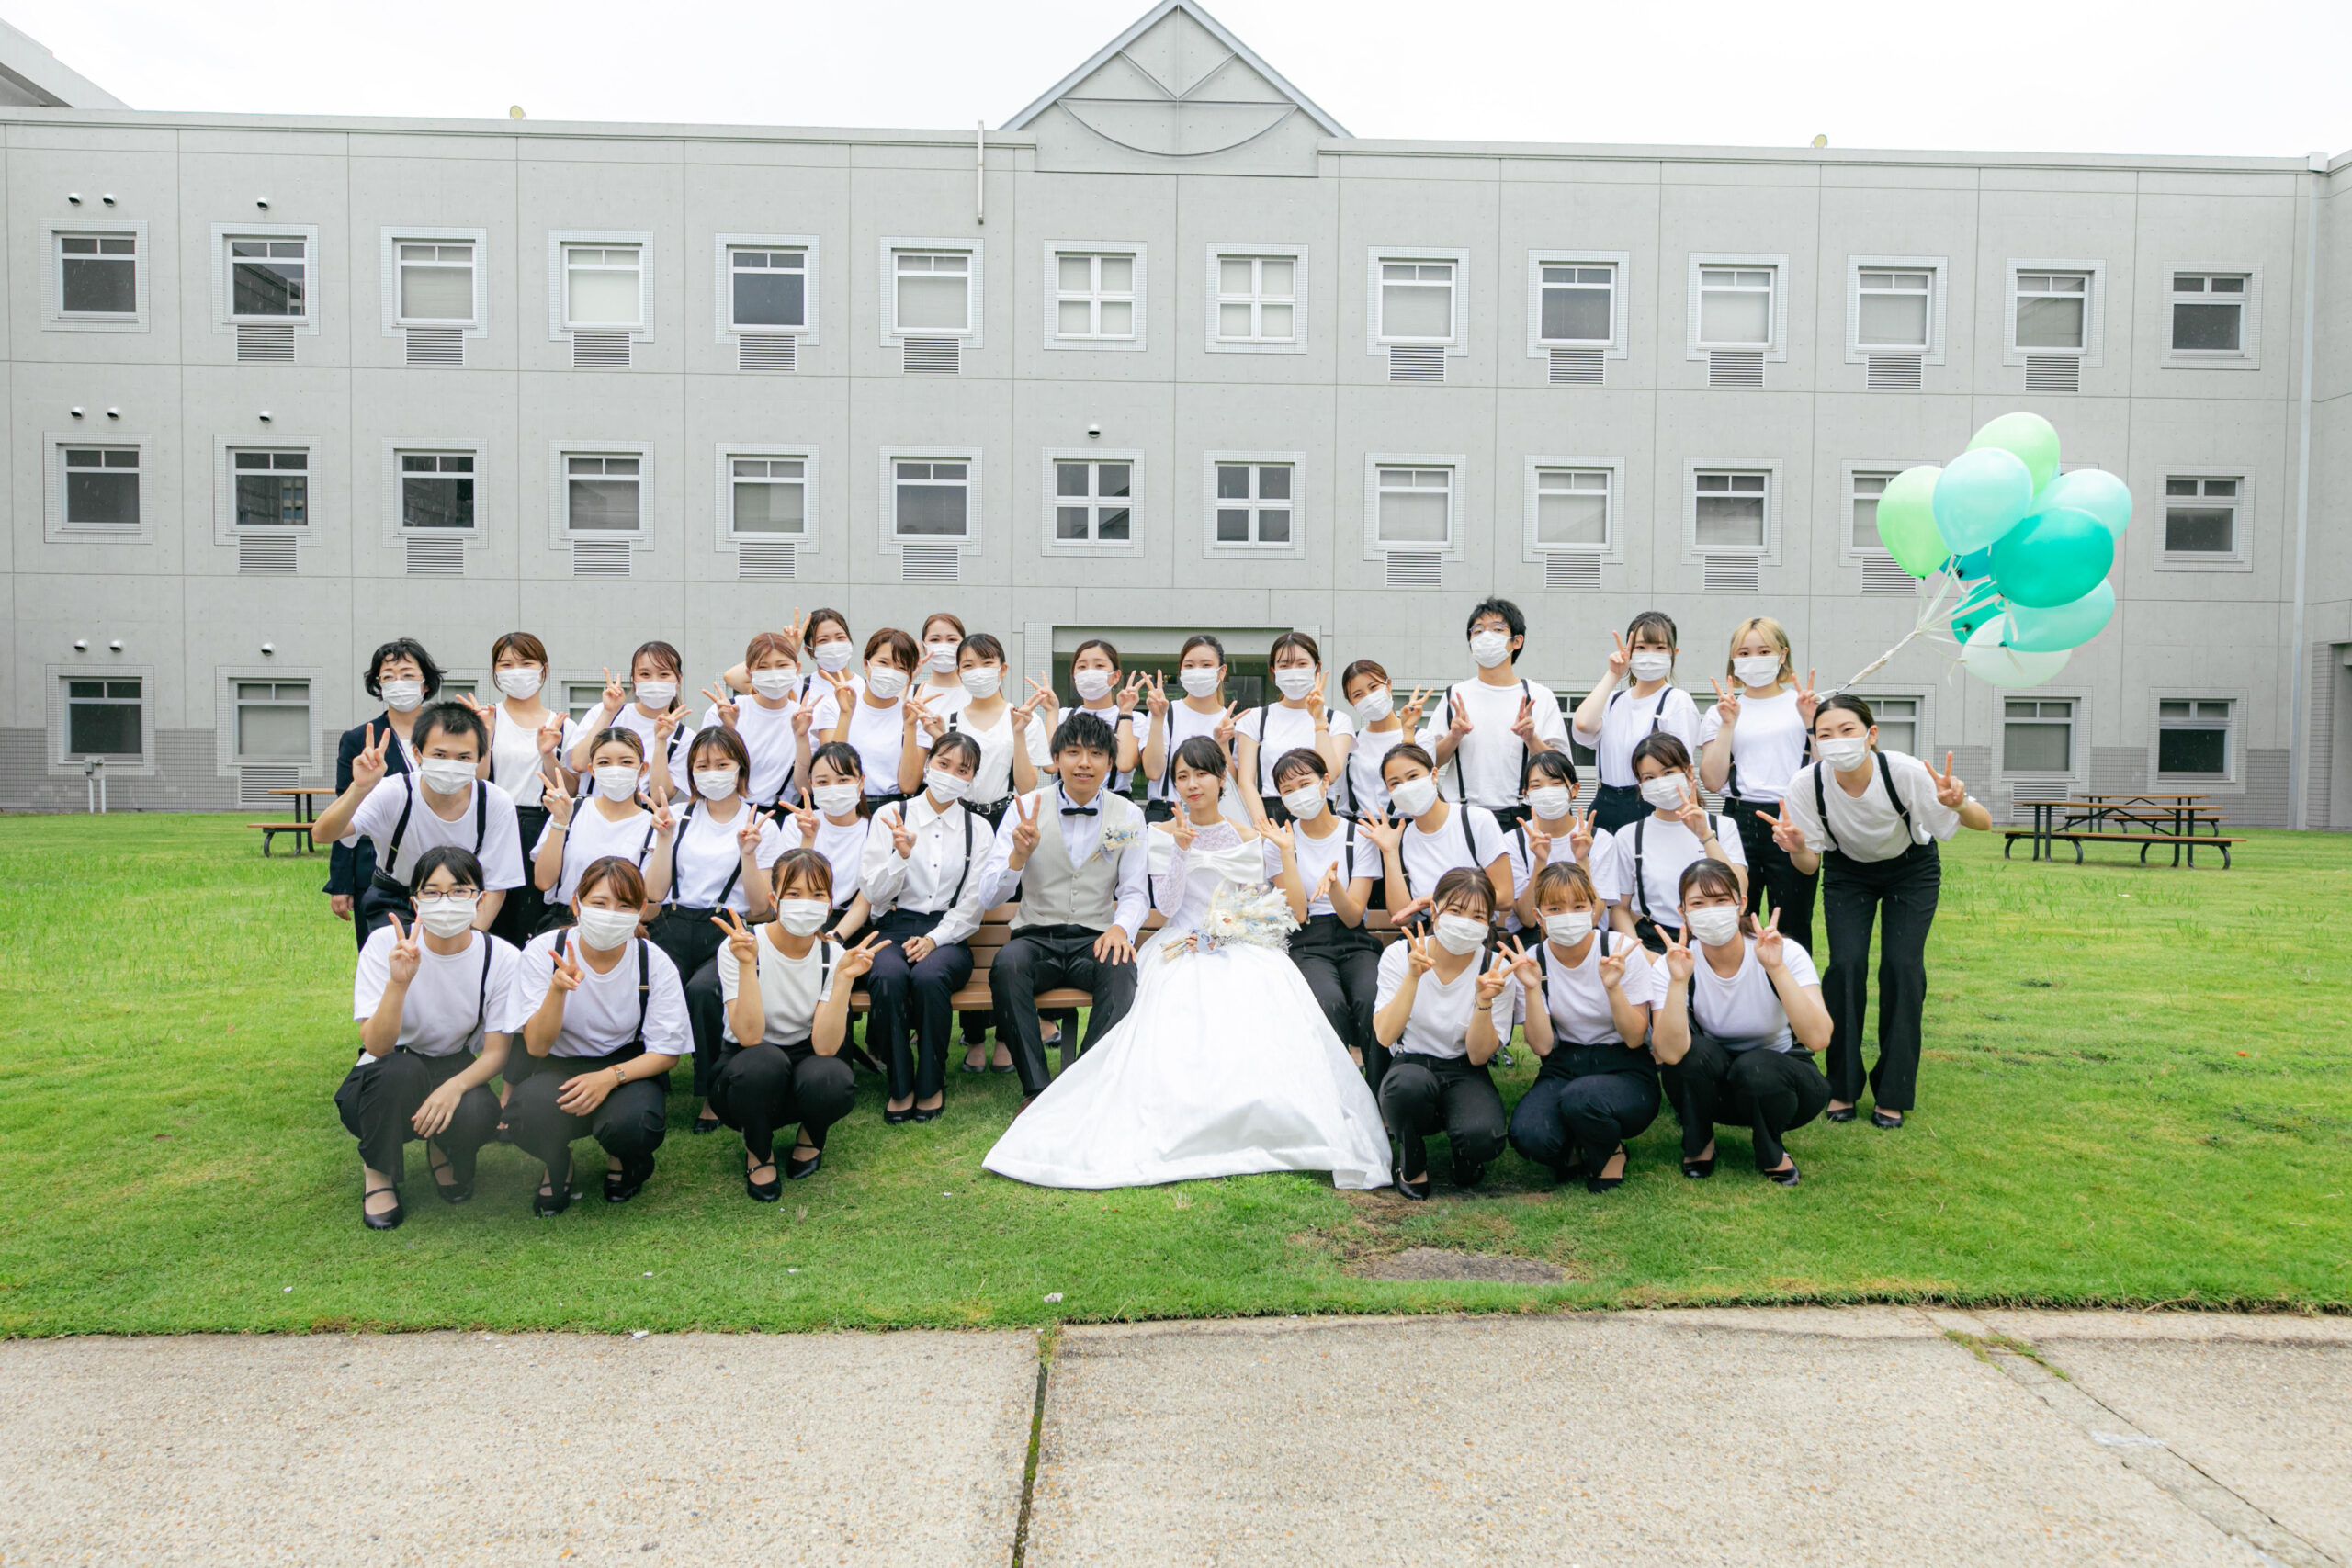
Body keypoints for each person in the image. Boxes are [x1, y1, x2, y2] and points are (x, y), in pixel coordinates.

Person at [981, 735, 1391, 1190]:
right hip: (1182, 943)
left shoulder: (1254, 838)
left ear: (1221, 777)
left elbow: (1291, 910)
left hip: (1242, 945)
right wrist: (1179, 850)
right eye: (1182, 776)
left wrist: (1270, 876)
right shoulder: (1158, 833)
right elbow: (1169, 905)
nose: (1192, 784)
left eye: (1201, 774)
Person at [1764, 695, 1991, 1129]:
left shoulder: (1904, 772)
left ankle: (1893, 1091)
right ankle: (1842, 1085)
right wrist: (1796, 848)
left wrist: (1959, 803)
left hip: (1911, 870)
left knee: (1902, 968)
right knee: (1845, 967)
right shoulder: (1806, 785)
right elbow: (1809, 865)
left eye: (1847, 730)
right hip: (1848, 872)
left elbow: (1984, 823)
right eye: (1825, 734)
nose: (1837, 740)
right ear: (1815, 742)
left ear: (1871, 734)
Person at [335, 846, 524, 1229]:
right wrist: (398, 983)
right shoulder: (385, 944)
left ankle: (442, 1147)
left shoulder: (501, 957)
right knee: (400, 1073)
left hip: (453, 1063)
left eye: (459, 891)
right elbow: (377, 1046)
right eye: (432, 892)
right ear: (415, 902)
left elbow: (496, 1053)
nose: (446, 901)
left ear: (480, 900)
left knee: (478, 1111)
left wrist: (452, 1089)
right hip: (389, 1065)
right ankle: (378, 1172)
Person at [975, 712, 1148, 1104]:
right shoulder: (1025, 807)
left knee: (1121, 968)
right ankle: (1036, 1089)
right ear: (1056, 759)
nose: (1084, 763)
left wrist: (1120, 929)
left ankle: (1083, 1087)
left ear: (1110, 762)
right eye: (1073, 752)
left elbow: (1136, 891)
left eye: (1095, 753)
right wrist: (1018, 857)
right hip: (1035, 938)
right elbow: (989, 897)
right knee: (1007, 965)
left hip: (1095, 938)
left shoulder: (1128, 814)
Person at [510, 857, 689, 1215]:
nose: (610, 914)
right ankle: (557, 1160)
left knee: (634, 1124)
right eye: (599, 903)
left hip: (626, 1066)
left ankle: (623, 1158)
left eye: (624, 906)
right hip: (559, 1066)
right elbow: (536, 1046)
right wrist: (557, 991)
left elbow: (667, 1052)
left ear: (641, 911)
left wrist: (609, 1077)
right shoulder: (543, 952)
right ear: (576, 904)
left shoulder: (652, 961)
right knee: (525, 1113)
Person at [710, 854, 886, 1196]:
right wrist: (747, 965)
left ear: (830, 903)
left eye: (818, 894)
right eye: (794, 893)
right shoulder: (741, 947)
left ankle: (811, 1134)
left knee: (833, 1079)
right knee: (764, 1063)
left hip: (804, 1058)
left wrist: (845, 979)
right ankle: (758, 1150)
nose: (806, 902)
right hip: (747, 1067)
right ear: (774, 900)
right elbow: (749, 1036)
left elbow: (826, 1047)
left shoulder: (833, 955)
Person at [1651, 860, 1832, 1185]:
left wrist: (1776, 968)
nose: (1711, 911)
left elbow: (1818, 1038)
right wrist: (1678, 982)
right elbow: (1669, 1053)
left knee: (1755, 1067)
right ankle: (1699, 1143)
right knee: (1692, 1055)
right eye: (1698, 903)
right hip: (1717, 1088)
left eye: (1721, 900)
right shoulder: (1674, 963)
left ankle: (1771, 1150)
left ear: (1741, 903)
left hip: (1782, 1082)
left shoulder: (1784, 951)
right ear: (1683, 912)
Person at [648, 727, 783, 1136]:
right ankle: (649, 1081)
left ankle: (711, 1090)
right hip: (673, 922)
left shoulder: (760, 824)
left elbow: (761, 909)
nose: (712, 773)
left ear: (740, 767)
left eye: (722, 764)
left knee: (704, 992)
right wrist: (663, 839)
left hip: (727, 927)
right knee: (652, 986)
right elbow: (654, 893)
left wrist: (748, 854)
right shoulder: (678, 817)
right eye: (702, 765)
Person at [1504, 862, 1662, 1192]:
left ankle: (1611, 1150)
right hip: (1565, 1064)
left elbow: (1635, 1037)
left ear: (1593, 908)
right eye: (1555, 908)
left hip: (1625, 1065)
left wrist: (1613, 987)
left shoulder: (1618, 950)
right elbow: (1542, 1047)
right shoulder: (1533, 959)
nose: (1568, 915)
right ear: (1539, 915)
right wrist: (1531, 989)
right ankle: (1576, 1141)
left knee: (1582, 1099)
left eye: (1578, 906)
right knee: (1529, 1136)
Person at [860, 732, 991, 1123]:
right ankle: (900, 1085)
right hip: (894, 924)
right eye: (943, 764)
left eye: (962, 770)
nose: (950, 775)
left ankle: (931, 1083)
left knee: (930, 978)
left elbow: (973, 905)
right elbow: (873, 893)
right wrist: (900, 857)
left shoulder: (977, 828)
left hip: (948, 934)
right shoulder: (891, 815)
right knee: (887, 975)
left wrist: (934, 939)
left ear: (972, 779)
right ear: (928, 763)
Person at [314, 700, 525, 942]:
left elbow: (497, 887)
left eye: (464, 757)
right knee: (397, 959)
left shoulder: (495, 803)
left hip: (463, 903)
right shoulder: (394, 792)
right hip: (396, 898)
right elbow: (323, 834)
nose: (451, 765)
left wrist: (467, 943)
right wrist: (359, 789)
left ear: (480, 757)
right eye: (440, 755)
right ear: (417, 754)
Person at [1373, 867, 1523, 1199]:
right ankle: (1412, 1159)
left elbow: (1478, 1055)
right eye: (1455, 910)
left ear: (1489, 922)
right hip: (1412, 1064)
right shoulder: (1400, 955)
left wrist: (1484, 1001)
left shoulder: (1496, 969)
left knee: (1484, 1137)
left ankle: (1465, 1153)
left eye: (1477, 916)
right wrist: (1413, 977)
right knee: (1405, 1089)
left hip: (1464, 1068)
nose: (1465, 922)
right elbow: (1384, 1035)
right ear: (1434, 909)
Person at [1698, 616, 1822, 954]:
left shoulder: (1804, 704)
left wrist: (1812, 722)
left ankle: (1791, 986)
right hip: (1738, 818)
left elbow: (1825, 773)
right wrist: (1727, 724)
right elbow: (1712, 780)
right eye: (1744, 652)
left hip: (1792, 817)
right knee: (1734, 916)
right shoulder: (1722, 710)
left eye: (1764, 651)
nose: (1754, 658)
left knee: (1793, 923)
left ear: (1782, 655)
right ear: (1733, 659)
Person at [1262, 749, 1385, 1077]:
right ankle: (1337, 1087)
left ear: (1325, 782)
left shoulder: (1358, 837)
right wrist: (1287, 852)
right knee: (1327, 1002)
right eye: (1287, 790)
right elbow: (1298, 914)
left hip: (1353, 939)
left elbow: (1353, 916)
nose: (1298, 794)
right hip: (1307, 941)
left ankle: (1379, 1090)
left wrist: (1334, 889)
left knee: (1370, 997)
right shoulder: (1277, 843)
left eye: (1305, 784)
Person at [324, 638, 440, 948]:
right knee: (382, 955)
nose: (398, 683)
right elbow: (345, 807)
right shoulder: (359, 739)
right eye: (388, 676)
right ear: (378, 685)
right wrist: (341, 882)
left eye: (408, 674)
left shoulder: (447, 733)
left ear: (425, 684)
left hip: (442, 867)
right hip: (376, 870)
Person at [1419, 598, 1569, 829]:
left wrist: (1531, 738)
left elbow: (1562, 767)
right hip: (1461, 813)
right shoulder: (1454, 695)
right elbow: (1429, 763)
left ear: (1517, 641)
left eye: (1498, 629)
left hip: (1521, 815)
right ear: (1471, 644)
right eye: (1478, 631)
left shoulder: (1539, 696)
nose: (1486, 636)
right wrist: (1454, 736)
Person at [458, 631, 566, 945]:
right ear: (494, 672)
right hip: (491, 824)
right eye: (506, 664)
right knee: (490, 913)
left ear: (543, 669)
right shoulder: (484, 718)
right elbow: (475, 781)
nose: (516, 671)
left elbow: (566, 787)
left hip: (540, 827)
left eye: (526, 663)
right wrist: (485, 735)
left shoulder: (560, 724)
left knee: (532, 919)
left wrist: (548, 754)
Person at [1596, 734, 1745, 951]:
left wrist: (1705, 835)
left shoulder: (1722, 826)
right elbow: (1620, 909)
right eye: (1649, 778)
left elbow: (1740, 889)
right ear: (1640, 784)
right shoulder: (1629, 836)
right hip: (1654, 942)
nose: (1660, 783)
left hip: (1716, 938)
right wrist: (1642, 954)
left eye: (1668, 773)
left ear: (1688, 772)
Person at [1572, 611, 1703, 833]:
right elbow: (1583, 725)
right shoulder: (1613, 700)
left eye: (1659, 648)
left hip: (1650, 805)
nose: (1650, 655)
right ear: (1628, 651)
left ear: (1673, 653)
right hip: (1605, 803)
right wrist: (1614, 674)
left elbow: (1680, 771)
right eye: (1641, 647)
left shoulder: (1676, 701)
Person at [530, 727, 668, 927]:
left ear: (642, 769)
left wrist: (664, 836)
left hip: (621, 926)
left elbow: (654, 894)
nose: (615, 769)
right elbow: (543, 881)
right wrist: (559, 821)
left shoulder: (652, 824)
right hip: (567, 921)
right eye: (604, 762)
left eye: (626, 762)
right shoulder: (570, 810)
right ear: (592, 770)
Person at [1360, 744, 1511, 920]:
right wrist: (1390, 852)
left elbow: (1505, 897)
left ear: (1433, 775)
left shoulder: (1476, 820)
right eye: (1395, 783)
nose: (1406, 787)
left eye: (1413, 776)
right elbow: (1401, 917)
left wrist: (1441, 899)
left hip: (1474, 928)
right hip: (1428, 930)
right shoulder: (1402, 838)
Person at [929, 633, 1048, 827]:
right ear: (959, 673)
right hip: (959, 818)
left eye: (987, 663)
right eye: (968, 665)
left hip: (1005, 818)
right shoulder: (949, 722)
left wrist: (1018, 733)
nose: (978, 672)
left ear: (1003, 670)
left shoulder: (1026, 720)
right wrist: (938, 738)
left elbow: (1026, 787)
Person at [1235, 631, 1353, 825]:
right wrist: (1265, 831)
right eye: (1284, 665)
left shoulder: (1338, 720)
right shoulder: (1255, 719)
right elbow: (1246, 783)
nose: (1293, 671)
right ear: (1273, 670)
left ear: (1317, 667)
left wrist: (1319, 721)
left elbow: (1330, 774)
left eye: (1301, 663)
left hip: (1321, 815)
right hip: (1271, 815)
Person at [567, 641, 695, 801]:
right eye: (645, 674)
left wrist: (661, 741)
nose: (654, 682)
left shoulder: (684, 737)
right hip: (592, 808)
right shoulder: (604, 711)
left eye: (664, 674)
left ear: (678, 680)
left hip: (643, 813)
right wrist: (608, 713)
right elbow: (578, 764)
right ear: (634, 679)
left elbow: (659, 797)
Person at [811, 627, 924, 805]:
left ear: (910, 675)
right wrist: (845, 714)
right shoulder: (835, 706)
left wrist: (910, 727)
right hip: (846, 805)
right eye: (883, 663)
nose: (891, 672)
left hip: (892, 808)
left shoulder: (913, 717)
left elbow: (909, 786)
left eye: (902, 668)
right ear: (866, 664)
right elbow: (831, 768)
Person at [1139, 633, 1241, 824]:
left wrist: (1223, 745)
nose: (1197, 671)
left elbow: (1233, 786)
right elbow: (1152, 772)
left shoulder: (1232, 722)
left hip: (1217, 817)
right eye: (1189, 665)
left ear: (1222, 671)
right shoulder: (1165, 712)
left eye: (1206, 665)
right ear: (1180, 671)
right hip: (1168, 814)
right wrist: (1158, 718)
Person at [703, 631, 808, 815]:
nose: (774, 673)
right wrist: (729, 729)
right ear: (749, 673)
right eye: (763, 667)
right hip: (728, 814)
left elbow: (804, 786)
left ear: (797, 669)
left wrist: (802, 736)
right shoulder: (725, 711)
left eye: (782, 665)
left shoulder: (804, 718)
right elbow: (706, 772)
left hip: (779, 817)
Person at [1505, 750, 1596, 930]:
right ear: (1526, 795)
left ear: (1574, 790)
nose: (1547, 792)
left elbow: (1594, 918)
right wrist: (1540, 862)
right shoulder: (1512, 841)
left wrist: (1582, 861)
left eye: (1556, 784)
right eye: (1536, 786)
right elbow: (1527, 919)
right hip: (1533, 938)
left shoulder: (1598, 839)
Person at [1339, 660, 1431, 824]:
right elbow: (1340, 795)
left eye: (1373, 687)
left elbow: (1418, 790)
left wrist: (1408, 731)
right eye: (1358, 694)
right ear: (1351, 702)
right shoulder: (1351, 742)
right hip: (1359, 828)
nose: (1369, 697)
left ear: (1388, 685)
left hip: (1405, 826)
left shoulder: (1421, 737)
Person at [1066, 637, 1145, 783]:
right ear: (1074, 676)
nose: (1090, 672)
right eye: (1082, 667)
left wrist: (1126, 712)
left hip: (1114, 795)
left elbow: (1125, 764)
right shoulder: (1063, 716)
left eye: (1099, 666)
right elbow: (1050, 766)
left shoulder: (1135, 718)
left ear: (1116, 676)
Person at [911, 611, 974, 720]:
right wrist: (909, 677)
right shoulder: (910, 693)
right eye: (935, 640)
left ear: (963, 645)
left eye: (952, 639)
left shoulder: (975, 694)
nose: (943, 645)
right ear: (924, 647)